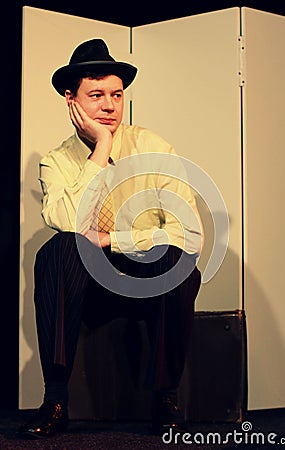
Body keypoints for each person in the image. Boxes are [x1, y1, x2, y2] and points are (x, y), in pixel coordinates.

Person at [19, 38, 204, 438]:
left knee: (177, 261)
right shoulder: (57, 161)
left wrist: (112, 239)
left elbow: (189, 234)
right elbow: (70, 222)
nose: (109, 106)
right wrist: (101, 148)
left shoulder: (153, 148)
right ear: (71, 101)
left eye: (117, 95)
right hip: (89, 291)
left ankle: (165, 397)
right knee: (59, 250)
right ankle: (55, 399)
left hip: (146, 282)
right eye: (97, 95)